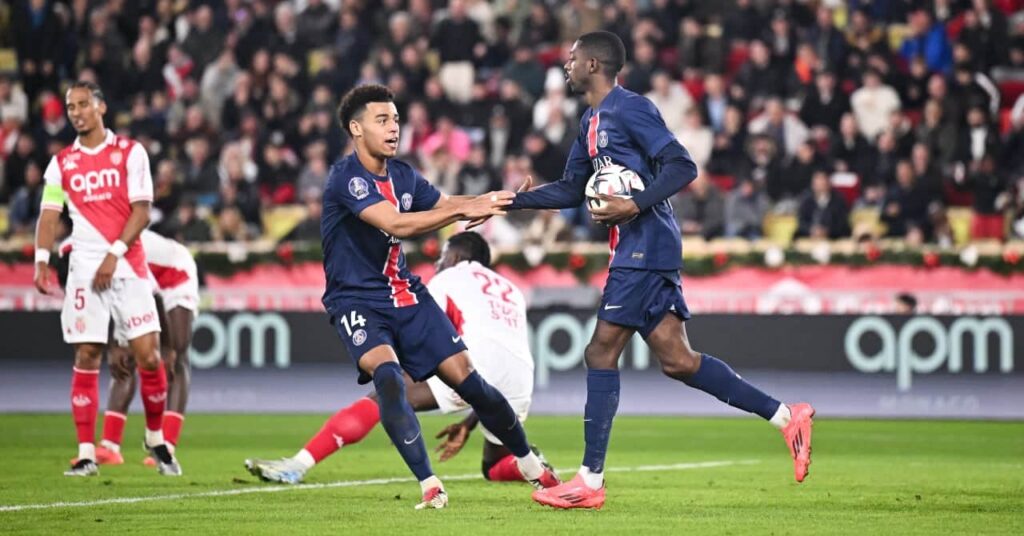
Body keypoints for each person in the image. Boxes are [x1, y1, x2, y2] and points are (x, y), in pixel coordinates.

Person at [503, 32, 815, 509]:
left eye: (571, 59)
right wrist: (514, 201)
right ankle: (787, 416)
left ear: (592, 64)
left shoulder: (631, 108)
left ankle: (589, 481)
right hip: (640, 247)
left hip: (645, 244)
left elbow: (682, 166)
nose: (565, 66)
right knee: (679, 360)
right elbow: (571, 189)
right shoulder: (589, 120)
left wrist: (633, 203)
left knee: (600, 351)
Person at [298, 84, 558, 510]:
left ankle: (530, 462)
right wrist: (462, 212)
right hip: (357, 301)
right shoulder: (347, 178)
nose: (393, 127)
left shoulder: (402, 174)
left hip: (404, 293)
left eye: (396, 119)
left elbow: (447, 201)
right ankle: (430, 483)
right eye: (382, 120)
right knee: (388, 380)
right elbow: (398, 224)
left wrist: (492, 202)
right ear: (356, 128)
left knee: (471, 382)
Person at [246, 232, 552, 485]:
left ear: (456, 257)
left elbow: (424, 331)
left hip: (478, 363)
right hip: (521, 376)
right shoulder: (512, 289)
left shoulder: (448, 279)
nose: (439, 263)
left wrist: (401, 404)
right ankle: (537, 468)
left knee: (384, 395)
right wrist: (469, 423)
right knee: (494, 464)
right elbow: (499, 359)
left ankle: (297, 465)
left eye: (442, 257)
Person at [33, 81, 180, 477]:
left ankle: (155, 438)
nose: (76, 112)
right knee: (86, 354)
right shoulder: (61, 163)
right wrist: (42, 258)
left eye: (83, 104)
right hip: (83, 268)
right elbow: (49, 215)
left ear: (101, 108)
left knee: (148, 355)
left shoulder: (130, 153)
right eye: (70, 107)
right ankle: (86, 453)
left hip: (127, 265)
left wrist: (113, 255)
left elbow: (142, 211)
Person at [58, 230, 199, 466]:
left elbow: (154, 294)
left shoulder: (114, 254)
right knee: (124, 357)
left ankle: (167, 445)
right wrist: (115, 344)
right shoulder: (69, 253)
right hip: (133, 281)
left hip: (174, 275)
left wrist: (165, 348)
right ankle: (110, 447)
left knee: (176, 352)